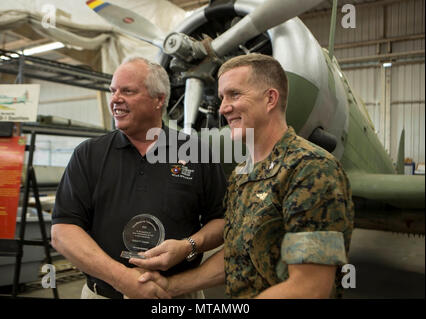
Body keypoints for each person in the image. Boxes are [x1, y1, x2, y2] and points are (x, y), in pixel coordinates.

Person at [133, 53, 354, 298]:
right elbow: (237, 256)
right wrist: (170, 287)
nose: (223, 108)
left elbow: (311, 287)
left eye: (235, 94)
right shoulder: (242, 172)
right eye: (222, 97)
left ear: (270, 99)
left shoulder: (311, 169)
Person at [51, 57, 226, 299]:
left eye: (128, 91)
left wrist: (188, 246)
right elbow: (62, 231)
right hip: (103, 295)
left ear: (159, 99)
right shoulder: (89, 154)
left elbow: (221, 220)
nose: (115, 99)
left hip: (175, 295)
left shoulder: (196, 152)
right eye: (113, 91)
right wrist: (122, 279)